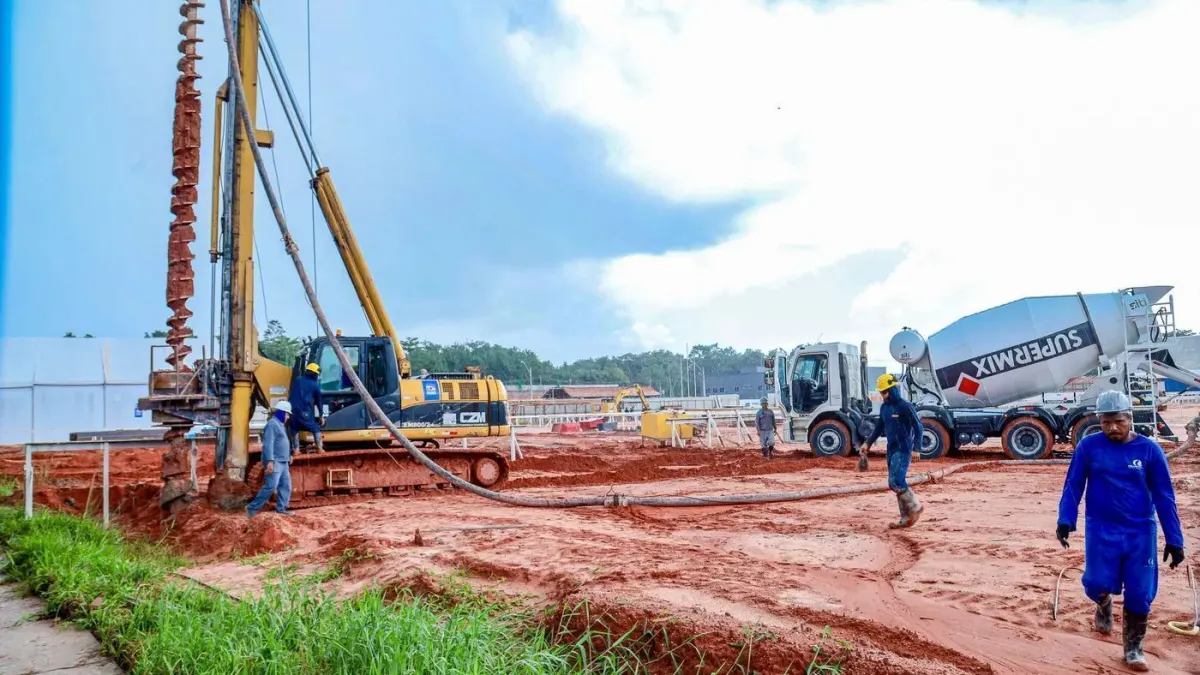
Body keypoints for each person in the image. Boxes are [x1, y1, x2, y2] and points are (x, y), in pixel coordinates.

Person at [1056, 390, 1185, 672]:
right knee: (1096, 583)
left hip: (1140, 532)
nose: (1113, 428)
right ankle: (1103, 604)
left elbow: (1164, 496)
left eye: (1119, 421)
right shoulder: (1089, 447)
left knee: (1140, 592)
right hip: (1101, 529)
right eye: (1106, 422)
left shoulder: (1150, 450)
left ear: (1130, 418)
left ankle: (1133, 648)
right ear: (1099, 421)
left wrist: (1175, 540)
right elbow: (1074, 485)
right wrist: (1065, 518)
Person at [859, 374, 924, 528]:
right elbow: (879, 427)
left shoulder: (905, 406)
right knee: (894, 483)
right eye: (881, 393)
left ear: (893, 389)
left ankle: (915, 507)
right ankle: (906, 517)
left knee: (896, 481)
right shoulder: (885, 408)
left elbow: (918, 427)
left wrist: (917, 449)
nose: (883, 395)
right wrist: (867, 443)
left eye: (885, 392)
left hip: (903, 448)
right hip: (891, 448)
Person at [247, 400, 294, 517]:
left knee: (286, 486)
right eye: (287, 414)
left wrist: (289, 455)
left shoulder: (280, 425)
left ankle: (281, 509)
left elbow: (282, 442)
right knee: (271, 486)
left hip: (283, 461)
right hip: (276, 461)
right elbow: (268, 444)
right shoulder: (272, 424)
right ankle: (252, 507)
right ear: (282, 413)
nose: (288, 417)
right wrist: (270, 461)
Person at [288, 362, 325, 453]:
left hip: (291, 409)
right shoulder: (314, 386)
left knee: (294, 428)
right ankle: (319, 448)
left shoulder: (297, 380)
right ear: (315, 375)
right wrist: (321, 415)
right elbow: (319, 402)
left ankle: (296, 450)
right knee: (315, 428)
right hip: (304, 410)